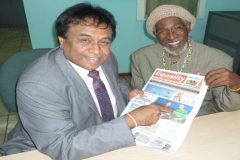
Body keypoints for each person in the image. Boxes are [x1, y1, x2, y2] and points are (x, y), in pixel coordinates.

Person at [0, 3, 171, 160]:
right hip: (42, 150)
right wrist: (130, 121)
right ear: (62, 41)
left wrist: (128, 93)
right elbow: (62, 147)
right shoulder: (38, 86)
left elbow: (114, 83)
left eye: (104, 42)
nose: (96, 51)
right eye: (84, 40)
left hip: (100, 136)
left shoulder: (107, 57)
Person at [131, 4, 240, 116]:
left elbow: (230, 107)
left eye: (177, 28)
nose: (171, 36)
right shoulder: (141, 58)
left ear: (188, 28)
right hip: (155, 117)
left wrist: (236, 84)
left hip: (198, 118)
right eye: (162, 31)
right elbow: (138, 96)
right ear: (155, 35)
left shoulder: (217, 59)